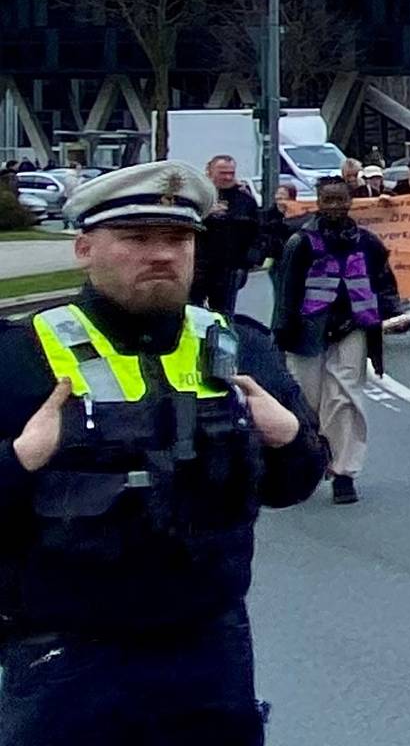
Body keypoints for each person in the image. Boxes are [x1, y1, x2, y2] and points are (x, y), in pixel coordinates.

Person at [0, 161, 326, 740]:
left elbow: (291, 485)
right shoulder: (19, 357)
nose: (161, 255)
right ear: (83, 248)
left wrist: (291, 441)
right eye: (136, 239)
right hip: (67, 657)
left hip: (208, 652)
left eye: (177, 239)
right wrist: (20, 459)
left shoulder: (236, 345)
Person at [269, 176, 403, 505]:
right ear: (318, 201)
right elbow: (286, 290)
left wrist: (388, 312)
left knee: (344, 398)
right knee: (307, 402)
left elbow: (384, 282)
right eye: (328, 200)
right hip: (306, 330)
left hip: (353, 325)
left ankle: (344, 472)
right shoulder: (300, 242)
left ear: (350, 201)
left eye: (340, 199)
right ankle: (309, 460)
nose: (334, 207)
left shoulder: (367, 242)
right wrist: (281, 334)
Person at [195, 154, 263, 314]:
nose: (227, 177)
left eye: (231, 173)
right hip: (199, 267)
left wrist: (249, 261)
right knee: (194, 311)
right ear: (209, 172)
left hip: (230, 268)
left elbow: (257, 233)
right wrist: (205, 214)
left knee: (223, 313)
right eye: (222, 173)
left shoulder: (245, 200)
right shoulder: (198, 197)